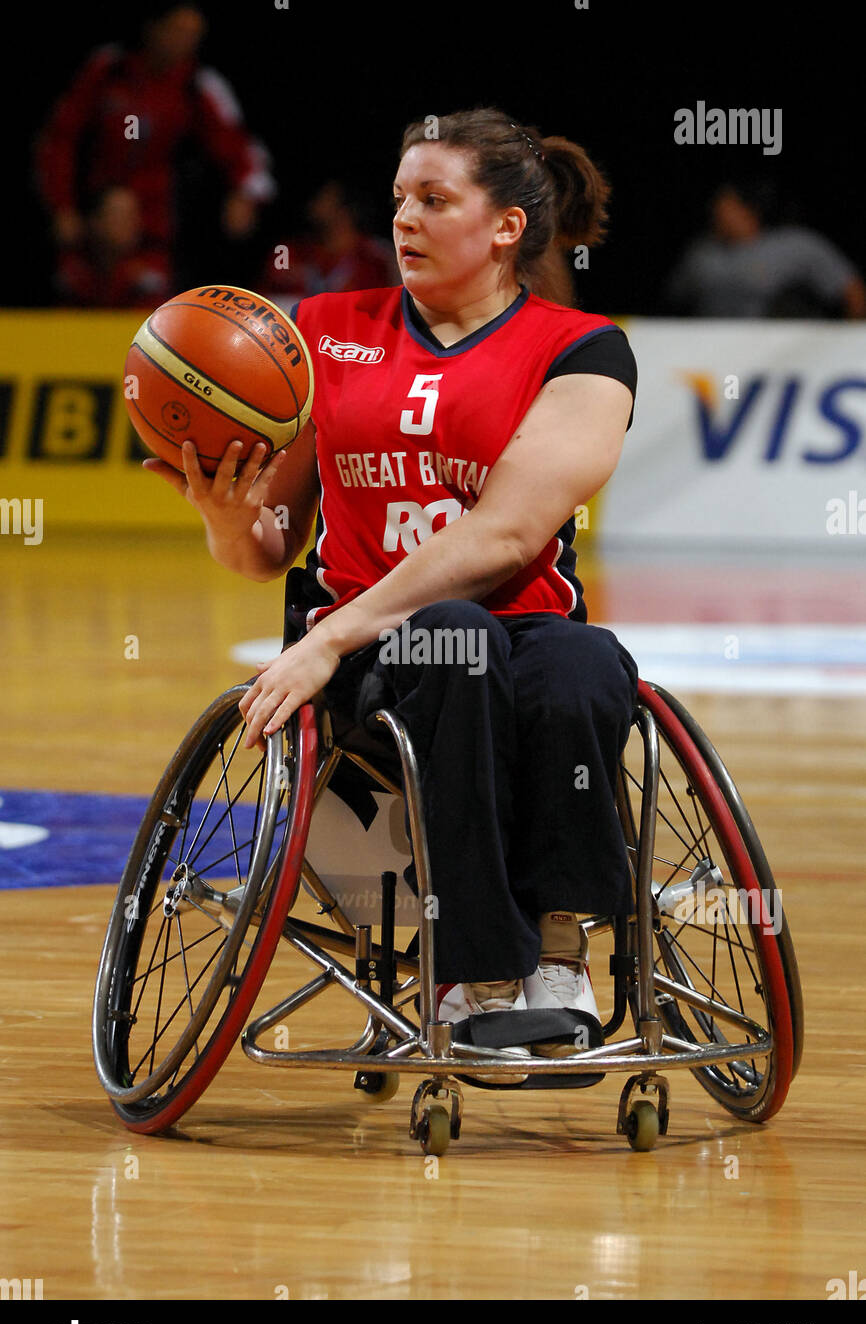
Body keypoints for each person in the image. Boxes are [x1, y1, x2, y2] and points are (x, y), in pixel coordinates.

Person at [143, 107, 639, 1081]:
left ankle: (558, 955)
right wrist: (226, 518)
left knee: (585, 662)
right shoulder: (319, 334)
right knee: (452, 637)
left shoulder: (581, 350)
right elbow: (271, 547)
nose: (403, 218)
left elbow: (503, 535)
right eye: (399, 198)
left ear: (504, 227)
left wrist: (332, 636)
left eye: (433, 199)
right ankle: (474, 972)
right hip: (374, 656)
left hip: (515, 626)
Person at [35, 3, 274, 278]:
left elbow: (238, 144)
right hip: (93, 217)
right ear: (154, 27)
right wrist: (62, 206)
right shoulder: (108, 69)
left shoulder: (198, 84)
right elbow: (60, 138)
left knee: (148, 293)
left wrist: (244, 193)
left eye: (194, 34)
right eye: (178, 30)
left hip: (153, 223)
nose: (186, 41)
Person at [663, 179, 866, 318]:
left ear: (748, 210)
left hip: (782, 355)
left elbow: (854, 294)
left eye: (726, 206)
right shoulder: (701, 254)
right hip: (713, 355)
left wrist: (842, 341)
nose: (715, 213)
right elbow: (672, 304)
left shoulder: (795, 246)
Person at [259, 179, 400, 311]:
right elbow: (262, 304)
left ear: (345, 210)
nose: (313, 204)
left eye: (323, 198)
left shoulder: (378, 257)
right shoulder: (287, 251)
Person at [53, 186, 171, 309]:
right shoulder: (73, 270)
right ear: (96, 222)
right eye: (119, 216)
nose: (131, 224)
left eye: (133, 215)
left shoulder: (154, 266)